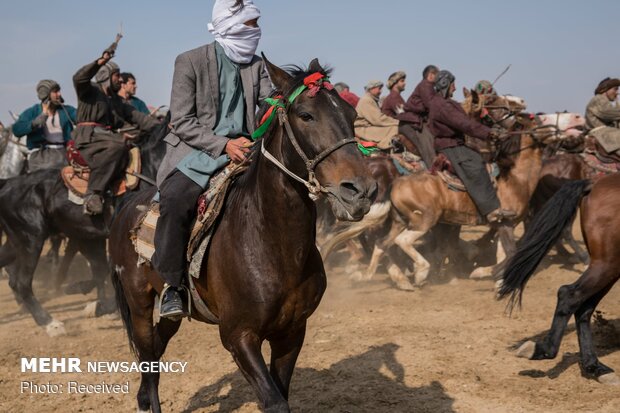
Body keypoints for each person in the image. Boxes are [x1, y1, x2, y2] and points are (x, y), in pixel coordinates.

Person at [151, 0, 272, 319]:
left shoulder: (256, 65)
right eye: (251, 24)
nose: (256, 30)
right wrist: (224, 145)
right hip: (196, 154)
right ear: (230, 24)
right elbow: (183, 120)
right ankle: (172, 287)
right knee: (176, 200)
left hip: (247, 150)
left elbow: (269, 104)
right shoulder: (189, 61)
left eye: (257, 24)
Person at [73, 40, 159, 215]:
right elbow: (78, 78)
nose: (120, 79)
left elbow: (138, 117)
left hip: (106, 137)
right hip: (89, 138)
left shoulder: (117, 101)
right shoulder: (89, 91)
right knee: (118, 144)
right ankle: (93, 195)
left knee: (136, 141)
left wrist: (163, 128)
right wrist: (100, 62)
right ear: (105, 75)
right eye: (116, 75)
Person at [428, 70, 515, 223]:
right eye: (453, 84)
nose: (455, 88)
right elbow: (464, 123)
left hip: (453, 144)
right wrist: (490, 133)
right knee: (476, 164)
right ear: (445, 84)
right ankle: (491, 210)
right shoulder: (442, 105)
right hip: (451, 146)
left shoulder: (444, 103)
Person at [12, 80, 77, 172]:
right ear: (45, 94)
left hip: (63, 155)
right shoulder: (32, 112)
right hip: (40, 159)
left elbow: (83, 117)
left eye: (59, 91)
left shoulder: (67, 110)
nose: (59, 94)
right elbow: (16, 130)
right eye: (55, 92)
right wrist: (34, 123)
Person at [397, 65, 439, 167]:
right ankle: (434, 171)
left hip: (416, 120)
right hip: (411, 122)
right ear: (431, 75)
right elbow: (431, 106)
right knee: (427, 143)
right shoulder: (426, 85)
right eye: (437, 75)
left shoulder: (429, 87)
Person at [354, 80, 399, 149]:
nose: (380, 91)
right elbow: (378, 119)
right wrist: (396, 122)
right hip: (363, 130)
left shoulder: (371, 99)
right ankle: (385, 148)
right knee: (395, 128)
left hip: (368, 127)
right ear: (372, 88)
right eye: (379, 88)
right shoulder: (367, 100)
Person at [585, 77, 620, 156]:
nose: (617, 92)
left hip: (607, 132)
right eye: (615, 89)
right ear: (605, 89)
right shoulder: (598, 99)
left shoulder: (603, 101)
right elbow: (609, 114)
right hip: (601, 133)